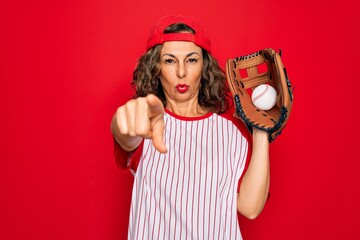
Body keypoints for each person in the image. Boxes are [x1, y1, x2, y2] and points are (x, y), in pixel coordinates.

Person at [111, 15, 270, 240]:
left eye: (191, 60)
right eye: (169, 60)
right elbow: (126, 134)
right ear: (155, 67)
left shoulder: (232, 132)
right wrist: (121, 123)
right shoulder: (145, 122)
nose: (181, 72)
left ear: (204, 66)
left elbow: (249, 207)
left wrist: (262, 132)